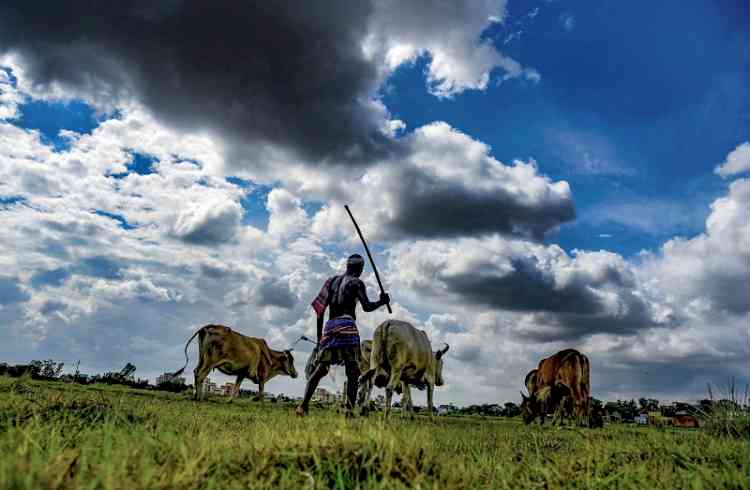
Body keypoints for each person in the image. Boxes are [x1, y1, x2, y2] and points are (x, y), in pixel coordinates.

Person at [296, 253, 390, 416]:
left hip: (330, 327)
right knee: (352, 371)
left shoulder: (331, 282)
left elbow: (319, 311)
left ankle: (302, 407)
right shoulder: (357, 283)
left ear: (347, 266)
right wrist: (382, 302)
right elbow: (367, 307)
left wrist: (320, 339)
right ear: (360, 269)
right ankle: (349, 410)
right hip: (347, 326)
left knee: (321, 369)